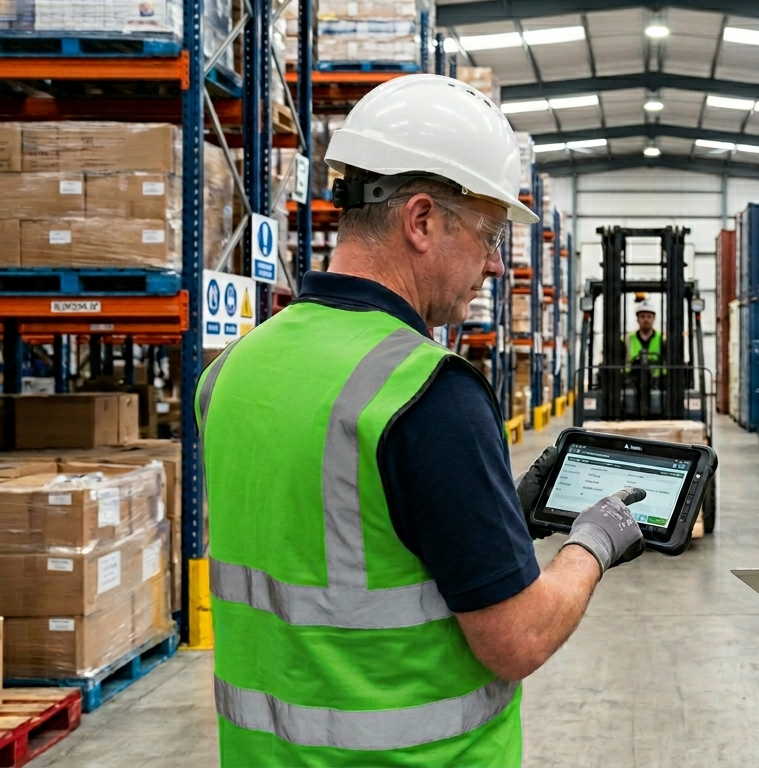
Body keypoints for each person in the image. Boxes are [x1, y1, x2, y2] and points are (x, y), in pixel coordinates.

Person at [195, 74, 646, 767]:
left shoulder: (233, 370)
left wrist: (492, 524)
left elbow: (338, 537)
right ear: (422, 220)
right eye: (490, 234)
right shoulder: (427, 392)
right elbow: (515, 640)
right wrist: (592, 544)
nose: (496, 264)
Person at [626, 298, 662, 375]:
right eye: (642, 316)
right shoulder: (627, 339)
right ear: (637, 319)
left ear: (654, 318)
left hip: (658, 382)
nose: (646, 320)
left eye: (649, 317)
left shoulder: (662, 339)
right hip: (632, 381)